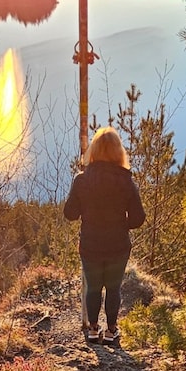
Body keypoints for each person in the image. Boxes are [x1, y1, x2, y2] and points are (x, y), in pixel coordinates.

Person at [64, 125, 146, 344]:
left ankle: (92, 329)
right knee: (113, 288)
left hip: (90, 244)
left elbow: (70, 213)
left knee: (93, 287)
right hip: (118, 246)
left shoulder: (82, 180)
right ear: (119, 152)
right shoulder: (126, 181)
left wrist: (88, 213)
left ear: (94, 150)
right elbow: (138, 218)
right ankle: (111, 331)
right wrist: (120, 225)